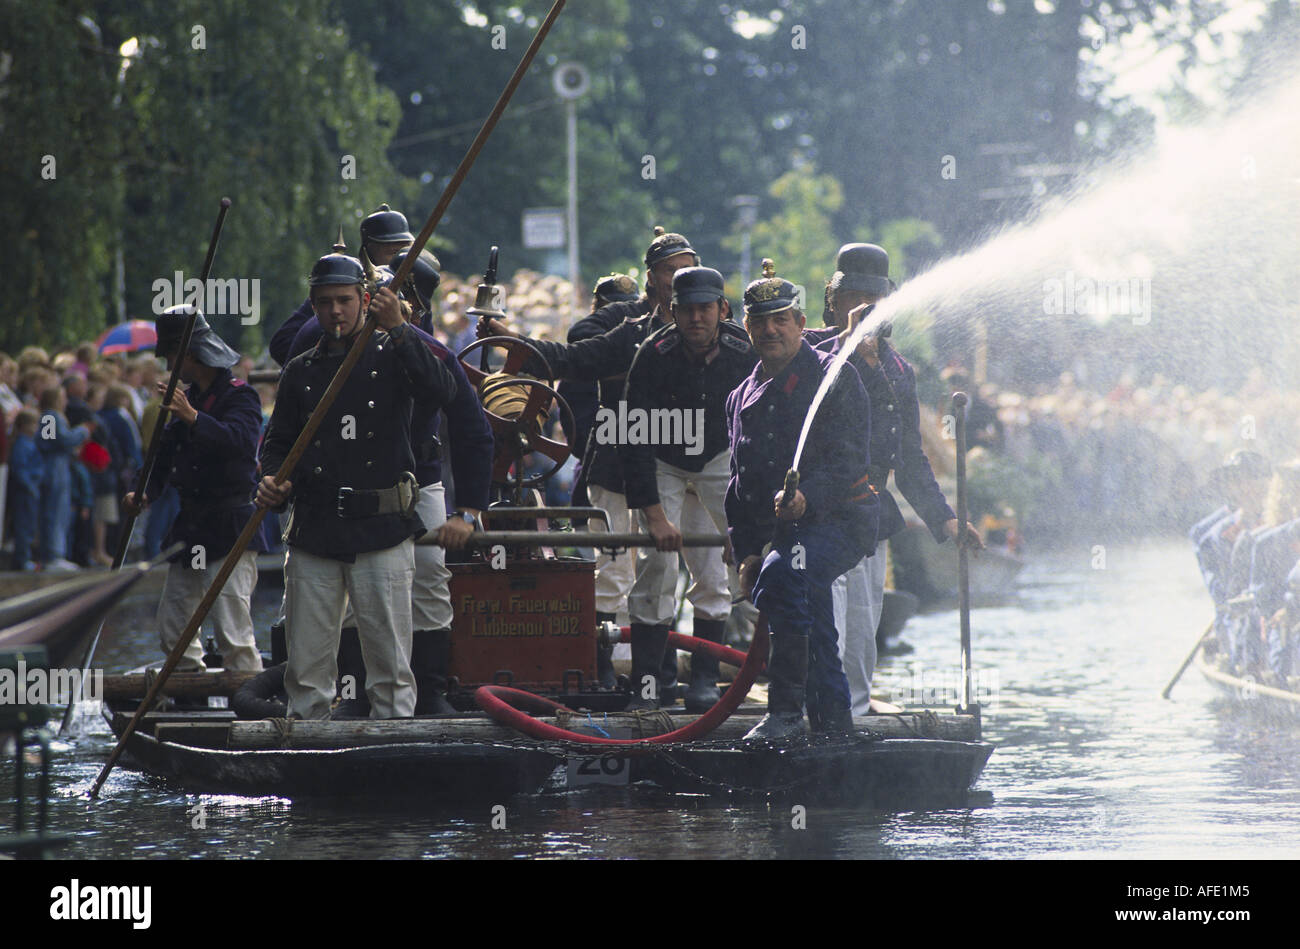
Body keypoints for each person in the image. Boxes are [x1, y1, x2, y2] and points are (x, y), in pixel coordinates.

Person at [478, 227, 710, 696]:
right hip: (615, 463)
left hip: (681, 464)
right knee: (618, 570)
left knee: (691, 569)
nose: (679, 278)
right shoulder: (624, 327)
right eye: (670, 270)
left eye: (687, 268)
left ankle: (675, 674)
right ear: (651, 278)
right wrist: (514, 341)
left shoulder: (708, 331)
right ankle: (606, 670)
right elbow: (576, 357)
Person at [284, 253, 492, 716]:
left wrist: (469, 511)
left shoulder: (417, 347)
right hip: (322, 516)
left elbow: (457, 409)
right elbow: (282, 431)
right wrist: (273, 480)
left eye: (345, 301)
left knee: (427, 586)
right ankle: (342, 706)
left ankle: (428, 695)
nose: (335, 311)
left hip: (407, 495)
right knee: (322, 632)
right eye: (325, 303)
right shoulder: (307, 355)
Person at [813, 244, 982, 715]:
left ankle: (856, 716)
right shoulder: (810, 351)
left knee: (863, 630)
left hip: (868, 513)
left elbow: (909, 458)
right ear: (834, 301)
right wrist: (851, 348)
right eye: (854, 297)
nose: (865, 307)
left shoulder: (899, 370)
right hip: (815, 513)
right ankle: (819, 714)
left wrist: (945, 521)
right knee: (825, 623)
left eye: (875, 298)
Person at [726, 260, 881, 739]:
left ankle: (786, 714)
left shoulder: (837, 378)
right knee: (806, 602)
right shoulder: (740, 396)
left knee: (786, 573)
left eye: (781, 320)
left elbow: (849, 461)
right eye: (760, 321)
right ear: (747, 328)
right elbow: (741, 484)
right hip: (785, 531)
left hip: (844, 518)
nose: (771, 330)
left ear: (799, 322)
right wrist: (748, 547)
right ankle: (835, 730)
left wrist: (805, 500)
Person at [616, 266, 756, 710]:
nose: (697, 319)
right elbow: (633, 437)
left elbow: (760, 431)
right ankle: (648, 683)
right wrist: (653, 514)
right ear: (671, 311)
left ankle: (705, 679)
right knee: (656, 565)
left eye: (705, 309)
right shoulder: (652, 355)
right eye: (687, 310)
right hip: (665, 460)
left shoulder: (743, 352)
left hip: (721, 457)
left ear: (723, 310)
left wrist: (745, 526)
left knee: (717, 570)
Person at [123, 306, 266, 674]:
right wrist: (145, 491)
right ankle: (187, 695)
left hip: (230, 524)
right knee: (176, 624)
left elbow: (240, 443)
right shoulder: (190, 398)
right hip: (193, 527)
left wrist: (193, 418)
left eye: (172, 356)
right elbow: (163, 454)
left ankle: (248, 706)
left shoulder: (240, 396)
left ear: (190, 354)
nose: (170, 365)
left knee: (232, 629)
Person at [36, 384, 92, 570]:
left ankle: (56, 553)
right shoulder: (50, 416)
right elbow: (53, 441)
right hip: (52, 468)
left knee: (60, 512)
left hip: (59, 467)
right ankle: (52, 555)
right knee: (53, 511)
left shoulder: (54, 417)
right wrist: (81, 431)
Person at [8, 408, 45, 571]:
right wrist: (30, 486)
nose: (37, 427)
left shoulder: (30, 443)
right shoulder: (22, 445)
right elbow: (20, 470)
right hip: (24, 492)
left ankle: (27, 558)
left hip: (31, 491)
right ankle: (22, 560)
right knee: (23, 527)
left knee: (30, 526)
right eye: (34, 424)